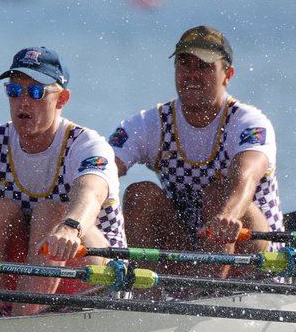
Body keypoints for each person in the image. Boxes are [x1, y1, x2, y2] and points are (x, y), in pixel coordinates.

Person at [0, 47, 125, 319]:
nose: (23, 102)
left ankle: (24, 323)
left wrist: (71, 227)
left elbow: (92, 191)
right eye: (14, 91)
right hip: (25, 273)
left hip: (95, 277)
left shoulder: (87, 144)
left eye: (36, 92)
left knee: (51, 212)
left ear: (62, 99)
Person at [107, 26, 283, 272]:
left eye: (204, 67)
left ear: (228, 75)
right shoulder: (150, 124)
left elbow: (246, 176)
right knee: (139, 194)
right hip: (190, 248)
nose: (191, 75)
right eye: (184, 65)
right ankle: (146, 291)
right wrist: (74, 219)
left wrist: (229, 214)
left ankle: (212, 289)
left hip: (256, 253)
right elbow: (100, 172)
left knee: (218, 193)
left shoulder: (249, 123)